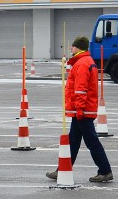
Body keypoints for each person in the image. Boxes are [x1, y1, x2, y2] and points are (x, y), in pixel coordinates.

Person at [46, 36, 113, 182]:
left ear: (79, 47)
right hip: (81, 110)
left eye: (73, 46)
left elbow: (81, 89)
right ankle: (62, 169)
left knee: (91, 141)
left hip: (82, 110)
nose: (71, 48)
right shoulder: (84, 61)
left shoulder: (82, 63)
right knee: (73, 141)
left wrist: (80, 109)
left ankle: (105, 171)